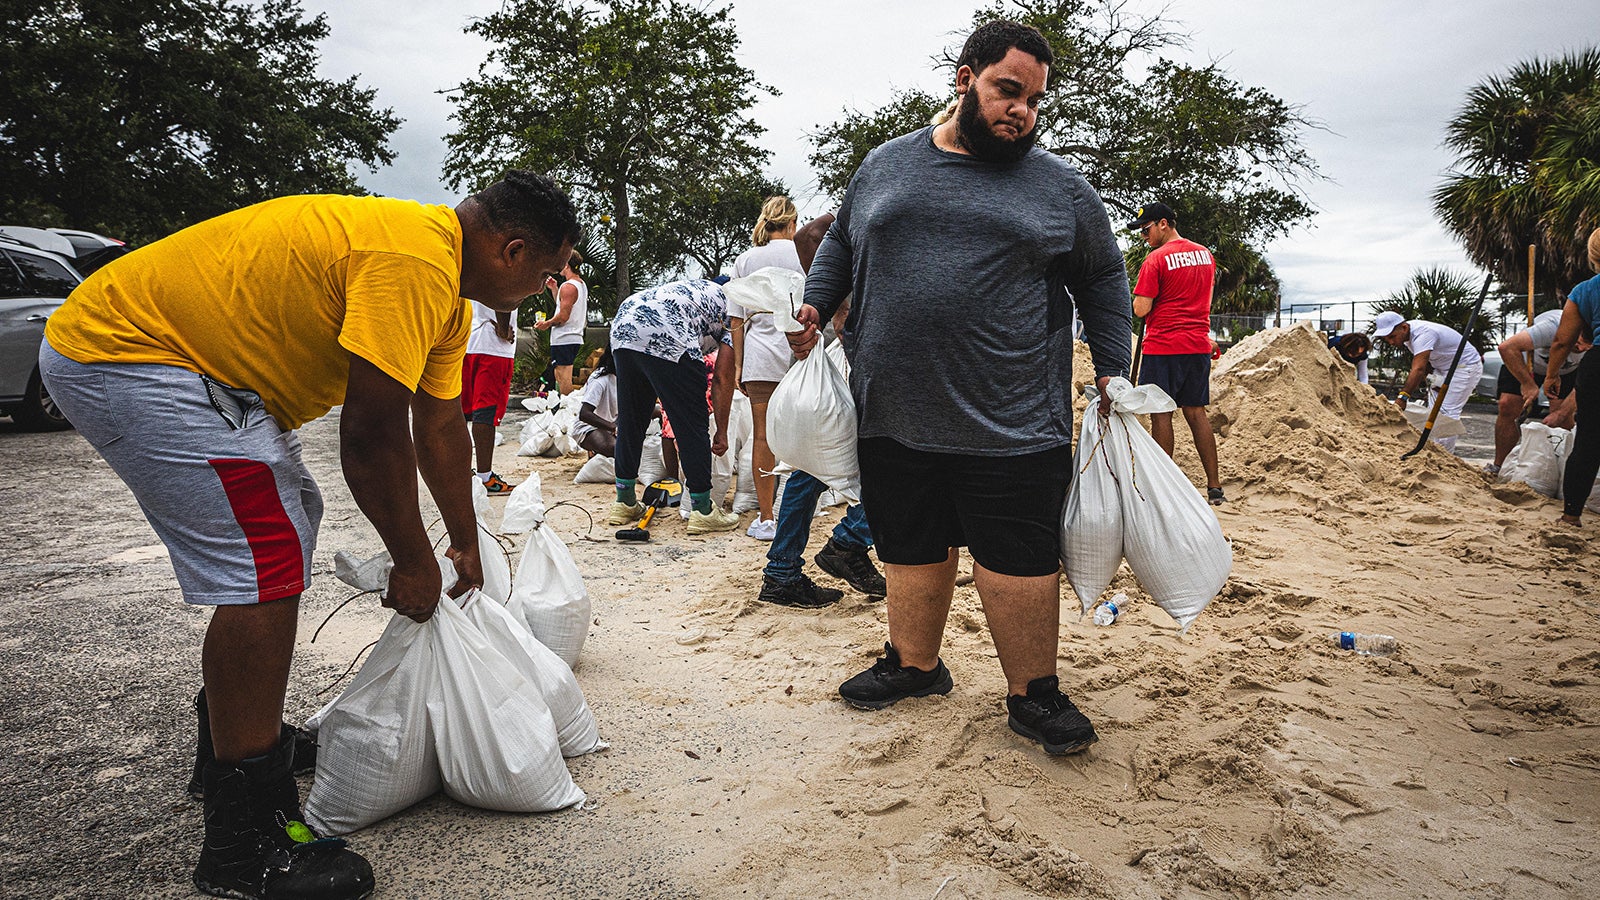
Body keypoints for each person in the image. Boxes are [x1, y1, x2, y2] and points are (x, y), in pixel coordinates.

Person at [38, 171, 579, 899]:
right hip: (131, 355)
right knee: (265, 557)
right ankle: (243, 840)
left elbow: (439, 425)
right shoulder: (415, 261)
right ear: (512, 250)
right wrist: (413, 564)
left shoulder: (445, 295)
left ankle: (236, 742)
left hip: (198, 374)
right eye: (545, 276)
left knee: (293, 517)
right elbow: (371, 435)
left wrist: (464, 539)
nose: (542, 293)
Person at [790, 20, 1132, 755]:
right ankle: (915, 665)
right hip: (893, 405)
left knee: (1016, 557)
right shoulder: (885, 164)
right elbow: (845, 241)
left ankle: (1033, 695)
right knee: (910, 544)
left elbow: (1104, 277)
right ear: (964, 78)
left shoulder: (1060, 188)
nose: (1023, 112)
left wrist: (1112, 366)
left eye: (1037, 101)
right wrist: (817, 304)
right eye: (1009, 90)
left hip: (1011, 417)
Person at [758, 212, 886, 608]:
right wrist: (842, 306)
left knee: (814, 462)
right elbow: (811, 234)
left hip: (852, 351)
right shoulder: (874, 199)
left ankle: (782, 571)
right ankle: (847, 543)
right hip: (861, 353)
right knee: (892, 459)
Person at [607, 279, 741, 535]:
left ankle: (623, 502)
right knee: (691, 423)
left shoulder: (705, 293)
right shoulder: (738, 313)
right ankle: (702, 510)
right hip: (668, 331)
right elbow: (723, 380)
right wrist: (721, 431)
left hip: (625, 324)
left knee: (632, 419)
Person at [1129, 201, 1225, 505]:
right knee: (1197, 414)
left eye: (1146, 230)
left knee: (1161, 415)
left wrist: (1151, 302)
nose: (1144, 237)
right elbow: (1204, 300)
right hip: (1197, 345)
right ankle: (1214, 486)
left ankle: (1162, 484)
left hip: (1163, 347)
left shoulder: (1156, 260)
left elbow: (1141, 308)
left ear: (1163, 224)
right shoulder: (1205, 255)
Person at [730, 196, 802, 542]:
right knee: (802, 432)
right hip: (798, 350)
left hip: (759, 354)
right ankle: (799, 510)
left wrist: (740, 365)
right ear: (792, 223)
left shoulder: (745, 259)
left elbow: (736, 319)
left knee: (762, 436)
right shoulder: (801, 252)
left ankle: (767, 515)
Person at [1544, 227, 1600, 525]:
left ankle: (1571, 516)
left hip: (1597, 366)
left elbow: (1562, 341)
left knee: (1589, 441)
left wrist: (1552, 375)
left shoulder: (1585, 290)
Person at [1488, 309, 1586, 473]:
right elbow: (1507, 348)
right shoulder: (1552, 326)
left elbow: (1585, 383)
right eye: (1578, 342)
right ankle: (1498, 466)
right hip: (1524, 364)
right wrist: (1527, 383)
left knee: (1562, 420)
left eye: (1586, 346)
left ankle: (1561, 472)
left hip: (1567, 372)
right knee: (1508, 406)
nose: (1582, 348)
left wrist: (1561, 413)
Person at [1373, 310, 1484, 452]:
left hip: (1464, 367)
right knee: (1434, 413)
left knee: (1446, 415)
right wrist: (1433, 381)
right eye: (1386, 339)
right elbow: (1425, 365)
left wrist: (1403, 397)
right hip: (1442, 369)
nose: (1391, 342)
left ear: (1404, 328)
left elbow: (1418, 369)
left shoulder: (1423, 334)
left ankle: (1444, 457)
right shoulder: (1408, 337)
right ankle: (1433, 450)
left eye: (1392, 336)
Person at [461, 293, 531, 494]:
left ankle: (462, 473)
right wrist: (502, 327)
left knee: (463, 412)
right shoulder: (506, 261)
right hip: (493, 346)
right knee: (486, 412)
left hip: (469, 341)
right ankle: (485, 477)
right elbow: (505, 292)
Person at [533, 252, 588, 394]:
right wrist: (554, 289)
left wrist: (547, 323)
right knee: (559, 376)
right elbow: (564, 304)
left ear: (566, 264)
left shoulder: (568, 286)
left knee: (563, 379)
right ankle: (565, 408)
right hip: (572, 337)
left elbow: (563, 316)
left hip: (564, 337)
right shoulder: (580, 285)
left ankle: (568, 411)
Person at [570, 345, 617, 457]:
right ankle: (595, 450)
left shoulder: (626, 377)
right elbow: (585, 414)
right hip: (589, 427)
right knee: (615, 449)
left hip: (613, 422)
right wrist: (613, 427)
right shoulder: (601, 379)